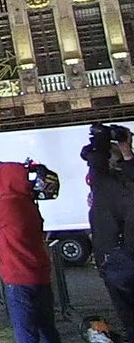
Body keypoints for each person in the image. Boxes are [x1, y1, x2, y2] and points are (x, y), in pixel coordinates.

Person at [0, 161, 62, 343]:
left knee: (26, 332)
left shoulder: (6, 206)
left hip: (18, 278)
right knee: (47, 329)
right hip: (40, 276)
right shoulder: (29, 205)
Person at [83, 125, 134, 337]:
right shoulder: (123, 184)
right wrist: (126, 148)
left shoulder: (103, 185)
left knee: (128, 317)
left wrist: (102, 143)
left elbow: (96, 163)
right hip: (121, 255)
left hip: (114, 258)